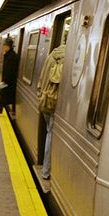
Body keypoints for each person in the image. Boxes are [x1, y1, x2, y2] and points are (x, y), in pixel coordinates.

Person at [37, 43, 66, 179]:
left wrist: (40, 94)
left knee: (49, 131)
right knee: (51, 133)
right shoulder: (69, 58)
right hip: (55, 102)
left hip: (45, 100)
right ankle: (46, 171)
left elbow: (42, 78)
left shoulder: (51, 55)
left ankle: (45, 170)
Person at [0, 38, 18, 114]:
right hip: (7, 80)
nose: (3, 48)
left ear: (8, 47)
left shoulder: (12, 56)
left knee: (4, 94)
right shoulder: (9, 55)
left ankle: (1, 108)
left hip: (8, 81)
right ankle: (0, 108)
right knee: (3, 94)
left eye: (4, 46)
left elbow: (10, 70)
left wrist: (5, 80)